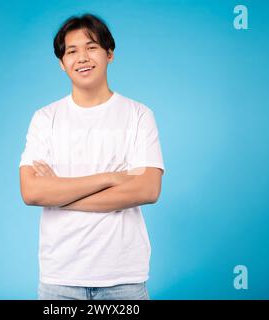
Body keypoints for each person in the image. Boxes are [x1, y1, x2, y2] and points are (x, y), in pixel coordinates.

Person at [19, 13, 165, 300]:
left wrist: (61, 192)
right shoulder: (45, 118)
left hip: (123, 278)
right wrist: (110, 178)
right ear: (62, 64)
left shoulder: (138, 115)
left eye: (91, 47)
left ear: (109, 54)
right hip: (60, 278)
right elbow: (32, 191)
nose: (82, 57)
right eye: (71, 52)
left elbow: (148, 189)